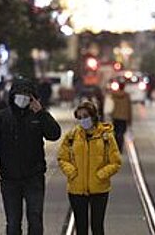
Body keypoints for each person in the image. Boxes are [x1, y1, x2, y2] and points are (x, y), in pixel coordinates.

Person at [0, 77, 61, 235]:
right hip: (9, 178)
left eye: (27, 95)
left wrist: (41, 113)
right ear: (12, 96)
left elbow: (54, 134)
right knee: (13, 221)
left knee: (35, 219)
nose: (22, 98)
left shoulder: (38, 116)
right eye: (19, 94)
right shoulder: (1, 117)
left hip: (34, 177)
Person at [58, 101, 121, 235]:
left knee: (97, 226)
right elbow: (62, 158)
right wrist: (72, 173)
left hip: (99, 188)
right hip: (76, 188)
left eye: (85, 116)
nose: (82, 120)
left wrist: (101, 175)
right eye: (79, 117)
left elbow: (116, 162)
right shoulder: (71, 136)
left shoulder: (106, 136)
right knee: (81, 227)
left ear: (93, 116)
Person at [109, 82, 132, 153]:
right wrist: (130, 119)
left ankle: (115, 147)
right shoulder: (127, 96)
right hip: (124, 117)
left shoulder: (113, 95)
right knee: (121, 133)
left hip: (115, 116)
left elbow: (110, 105)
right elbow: (129, 108)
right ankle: (120, 148)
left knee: (115, 132)